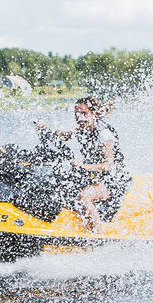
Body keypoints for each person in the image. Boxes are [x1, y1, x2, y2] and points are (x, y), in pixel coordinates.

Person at [36, 96, 129, 233]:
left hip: (114, 180)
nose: (79, 118)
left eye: (84, 113)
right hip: (96, 176)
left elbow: (109, 165)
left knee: (84, 197)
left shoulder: (104, 134)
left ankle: (100, 235)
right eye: (77, 114)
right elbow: (66, 135)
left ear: (94, 114)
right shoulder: (84, 128)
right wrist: (46, 129)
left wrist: (83, 166)